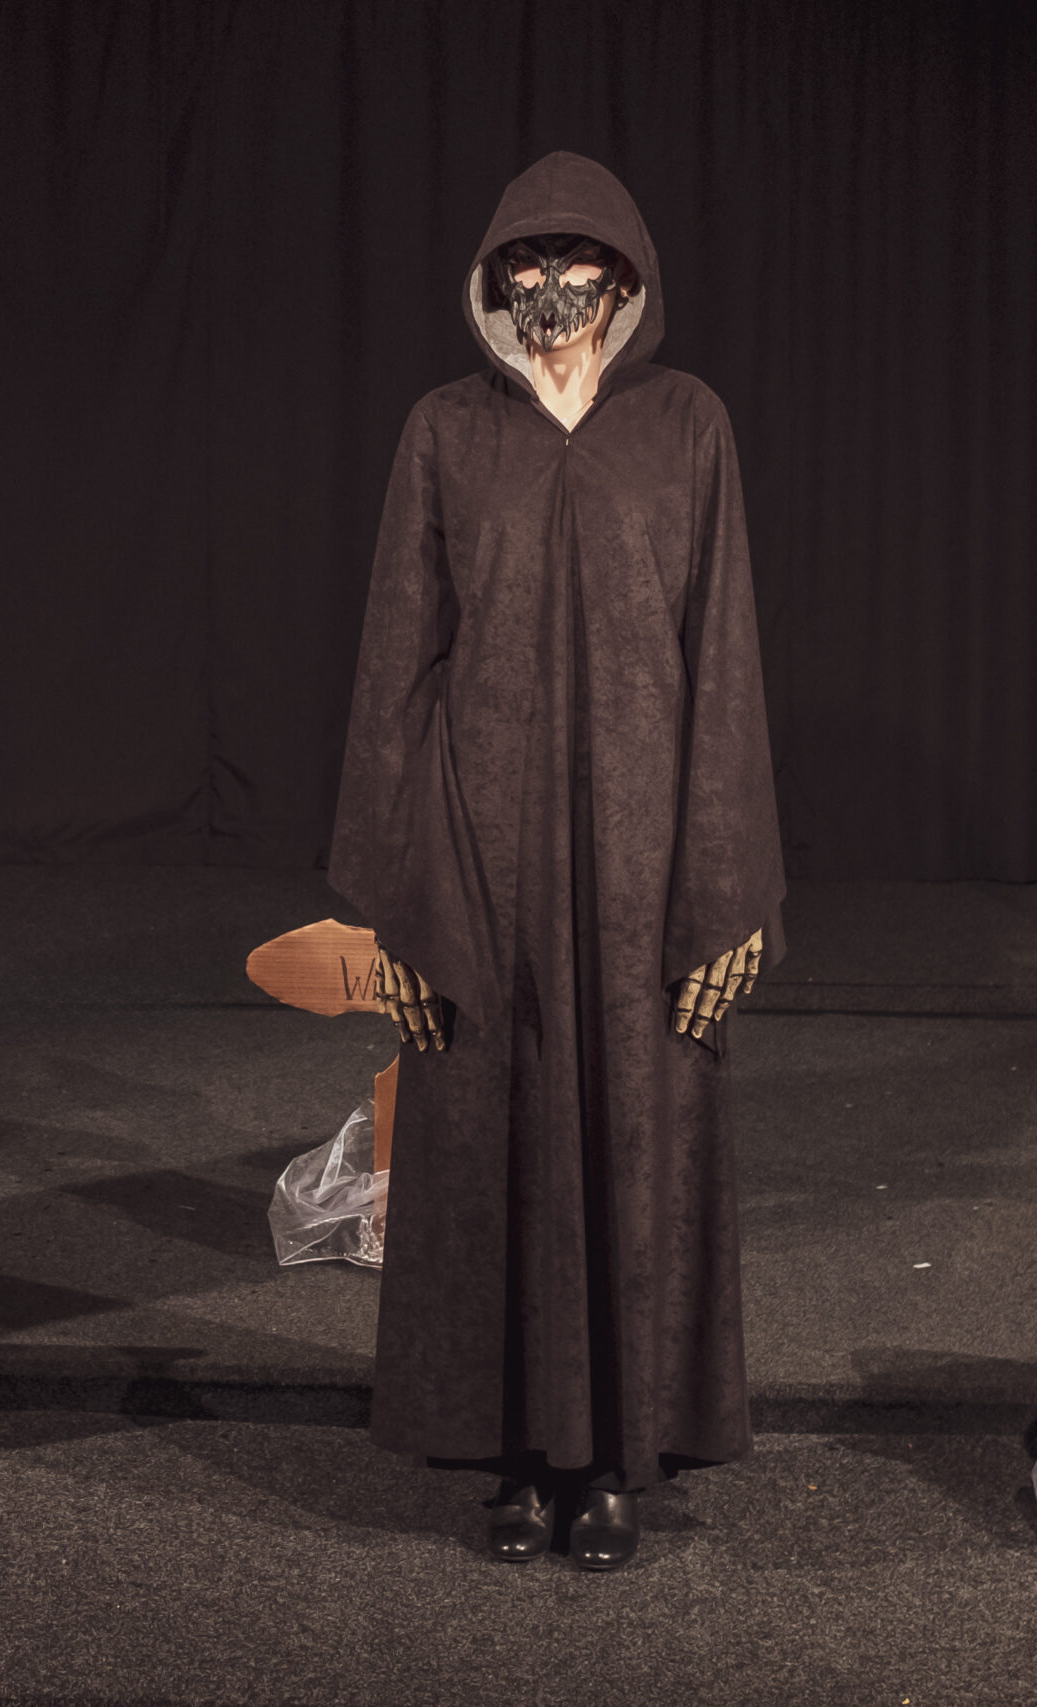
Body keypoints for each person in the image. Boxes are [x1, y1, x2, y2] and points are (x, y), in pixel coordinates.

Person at [329, 153, 785, 1572]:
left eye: (574, 263)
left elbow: (725, 655)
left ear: (624, 279)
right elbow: (397, 665)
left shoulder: (686, 425)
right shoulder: (447, 432)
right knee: (491, 1135)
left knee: (635, 1136)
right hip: (485, 852)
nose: (549, 287)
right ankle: (518, 1465)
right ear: (494, 282)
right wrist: (398, 901)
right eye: (523, 265)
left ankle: (615, 1465)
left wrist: (731, 886)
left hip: (646, 860)